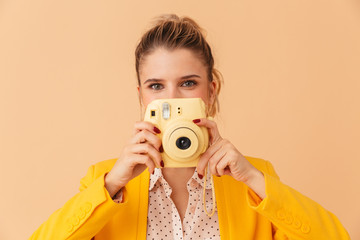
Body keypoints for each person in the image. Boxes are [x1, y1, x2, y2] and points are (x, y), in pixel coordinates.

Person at [30, 14, 350, 240]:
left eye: (187, 83)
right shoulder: (105, 182)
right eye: (156, 86)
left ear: (211, 91)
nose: (171, 98)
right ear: (141, 96)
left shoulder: (254, 182)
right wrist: (113, 183)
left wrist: (253, 178)